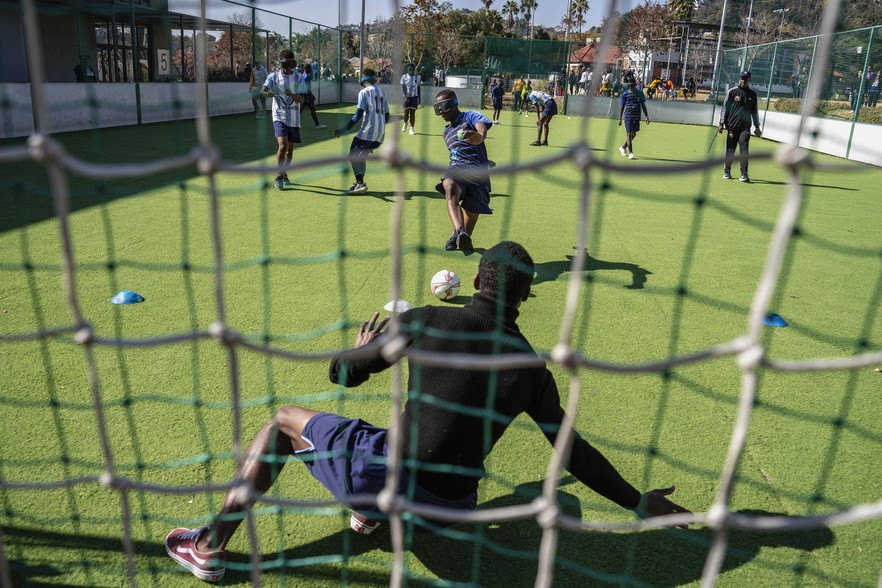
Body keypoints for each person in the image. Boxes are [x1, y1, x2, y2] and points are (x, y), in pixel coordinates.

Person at [164, 240, 691, 582]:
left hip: (387, 477)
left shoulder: (425, 321)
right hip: (450, 511)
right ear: (526, 296)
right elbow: (575, 454)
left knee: (284, 420)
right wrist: (636, 502)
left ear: (478, 281)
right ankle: (371, 512)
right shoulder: (531, 370)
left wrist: (360, 345)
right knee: (391, 435)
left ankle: (209, 546)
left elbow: (342, 375)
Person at [433, 89, 494, 253]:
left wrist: (480, 137)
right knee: (450, 187)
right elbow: (458, 154)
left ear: (454, 104)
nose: (440, 111)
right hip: (457, 170)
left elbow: (481, 128)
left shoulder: (469, 116)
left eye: (443, 106)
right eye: (436, 108)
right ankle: (460, 231)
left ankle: (459, 234)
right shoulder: (446, 132)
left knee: (469, 224)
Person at [333, 68, 389, 195]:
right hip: (380, 134)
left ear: (363, 79)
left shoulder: (364, 92)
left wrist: (343, 129)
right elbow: (387, 115)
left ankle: (360, 183)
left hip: (368, 131)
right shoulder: (382, 93)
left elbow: (358, 115)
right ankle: (360, 183)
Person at [261, 50, 305, 189]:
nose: (287, 66)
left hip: (294, 117)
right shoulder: (273, 76)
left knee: (289, 151)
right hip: (279, 115)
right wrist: (268, 93)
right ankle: (279, 174)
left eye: (290, 63)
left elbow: (302, 100)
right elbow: (263, 90)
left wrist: (292, 94)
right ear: (281, 62)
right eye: (285, 63)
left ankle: (284, 173)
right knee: (282, 145)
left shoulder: (299, 77)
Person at [718, 70, 762, 182]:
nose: (744, 80)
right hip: (732, 126)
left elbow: (754, 111)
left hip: (745, 128)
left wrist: (757, 127)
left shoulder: (753, 94)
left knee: (744, 150)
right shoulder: (732, 92)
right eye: (742, 78)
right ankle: (727, 171)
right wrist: (721, 123)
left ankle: (744, 174)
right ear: (739, 79)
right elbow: (725, 108)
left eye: (746, 78)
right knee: (730, 150)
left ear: (749, 80)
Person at [618, 73, 650, 160]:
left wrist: (646, 116)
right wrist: (620, 118)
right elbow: (622, 106)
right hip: (628, 115)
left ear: (635, 85)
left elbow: (643, 105)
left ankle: (623, 147)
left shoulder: (639, 93)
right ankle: (631, 153)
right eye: (629, 86)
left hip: (636, 116)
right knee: (628, 133)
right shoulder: (625, 94)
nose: (631, 87)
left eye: (632, 85)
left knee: (634, 134)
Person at [297, 63, 326, 129]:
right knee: (312, 109)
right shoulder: (307, 76)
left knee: (300, 110)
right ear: (306, 69)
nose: (311, 70)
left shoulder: (302, 75)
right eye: (310, 68)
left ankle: (296, 124)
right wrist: (310, 95)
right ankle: (317, 125)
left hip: (302, 95)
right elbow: (307, 87)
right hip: (306, 95)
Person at [400, 63, 421, 135]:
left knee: (412, 113)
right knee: (406, 113)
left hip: (414, 97)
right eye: (409, 69)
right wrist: (404, 96)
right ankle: (405, 123)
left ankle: (411, 129)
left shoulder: (417, 77)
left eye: (412, 69)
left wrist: (419, 98)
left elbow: (418, 88)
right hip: (406, 97)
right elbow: (402, 87)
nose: (411, 70)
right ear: (407, 69)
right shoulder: (404, 77)